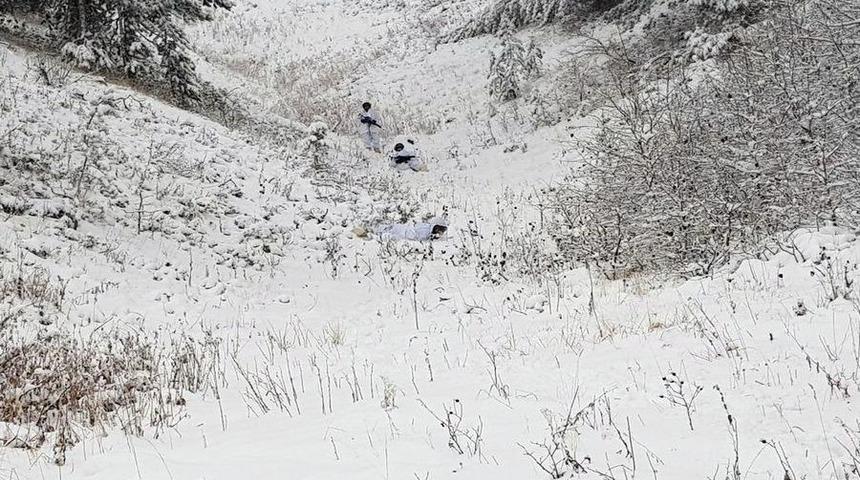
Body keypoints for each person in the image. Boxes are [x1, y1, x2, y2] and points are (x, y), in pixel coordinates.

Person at [376, 217, 448, 241]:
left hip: (401, 229)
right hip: (401, 231)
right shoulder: (425, 230)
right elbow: (413, 236)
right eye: (443, 230)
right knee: (383, 233)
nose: (443, 233)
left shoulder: (428, 229)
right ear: (437, 228)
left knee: (384, 229)